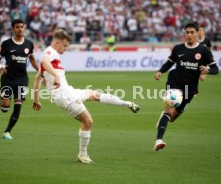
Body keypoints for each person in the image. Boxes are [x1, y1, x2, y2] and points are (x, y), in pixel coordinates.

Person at [32, 29, 140, 164]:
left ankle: (127, 104)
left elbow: (37, 78)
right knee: (88, 122)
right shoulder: (49, 52)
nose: (66, 49)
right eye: (64, 46)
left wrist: (36, 99)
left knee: (95, 94)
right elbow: (44, 61)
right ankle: (82, 155)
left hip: (68, 91)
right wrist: (55, 76)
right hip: (64, 95)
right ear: (57, 42)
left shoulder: (54, 55)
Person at [153, 22, 219, 151]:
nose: (189, 35)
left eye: (192, 32)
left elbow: (216, 69)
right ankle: (158, 141)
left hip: (190, 89)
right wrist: (160, 71)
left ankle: (165, 118)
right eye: (187, 32)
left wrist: (208, 70)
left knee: (172, 118)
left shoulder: (203, 50)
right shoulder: (178, 48)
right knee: (168, 112)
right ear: (184, 33)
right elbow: (169, 63)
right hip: (174, 83)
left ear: (196, 33)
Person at [0, 19, 39, 140]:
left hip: (22, 79)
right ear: (13, 29)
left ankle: (7, 131)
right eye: (17, 27)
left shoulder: (29, 44)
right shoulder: (7, 44)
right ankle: (3, 100)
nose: (20, 29)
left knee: (18, 105)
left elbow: (32, 60)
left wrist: (41, 72)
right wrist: (0, 66)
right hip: (8, 79)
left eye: (22, 27)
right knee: (5, 108)